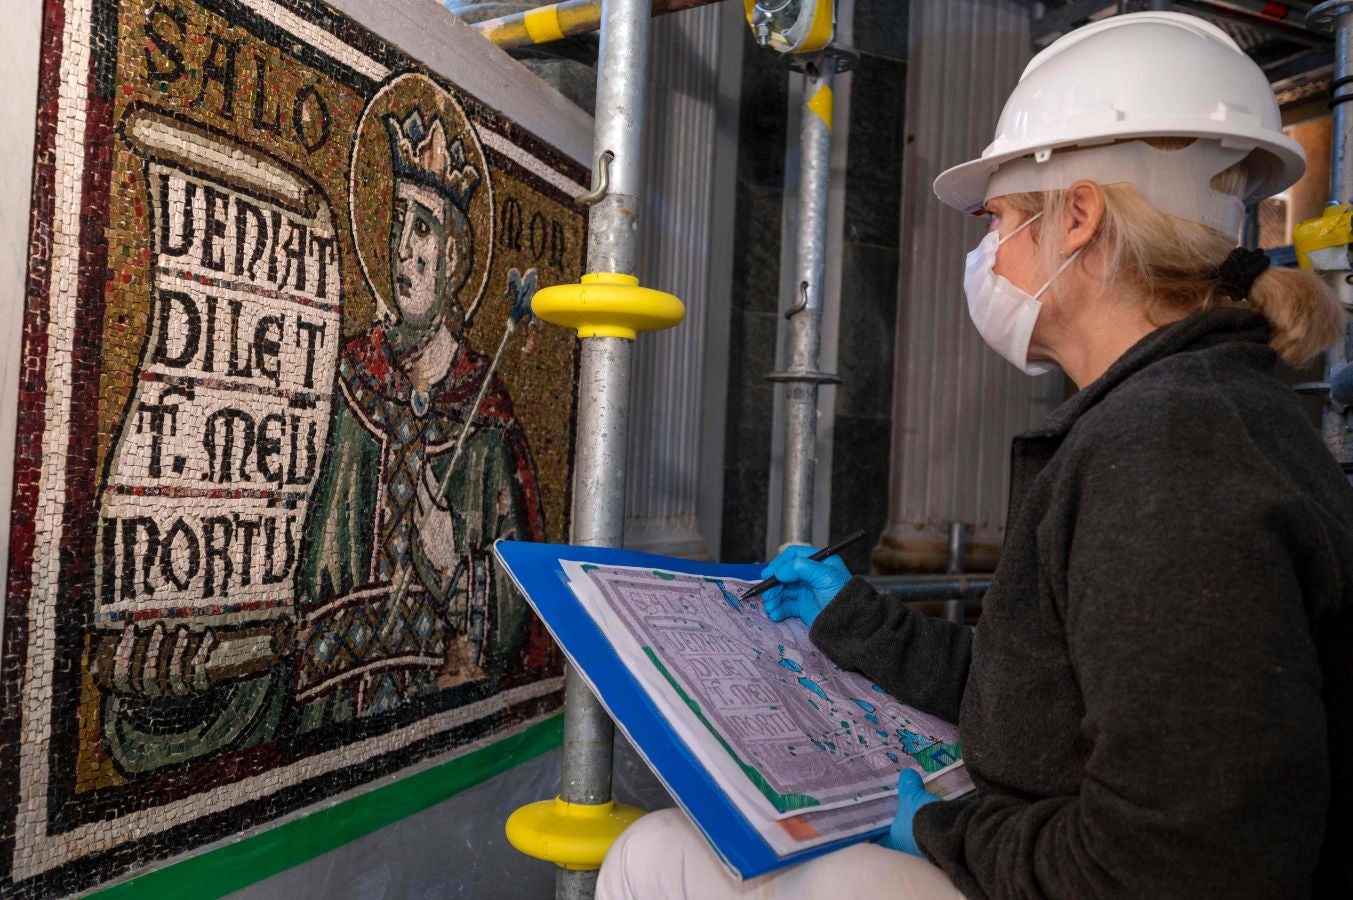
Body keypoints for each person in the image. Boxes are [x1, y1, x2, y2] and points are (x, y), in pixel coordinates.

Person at [598, 12, 1352, 899]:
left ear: (1077, 215)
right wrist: (855, 622)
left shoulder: (1169, 453)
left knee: (655, 856)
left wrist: (948, 833)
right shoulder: (1184, 415)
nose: (984, 252)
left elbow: (1179, 865)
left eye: (995, 218)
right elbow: (1050, 705)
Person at [295, 108, 548, 727]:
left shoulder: (484, 414)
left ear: (456, 258)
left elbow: (525, 602)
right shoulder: (352, 379)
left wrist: (450, 565)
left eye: (424, 228)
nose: (403, 249)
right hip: (335, 701)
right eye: (397, 225)